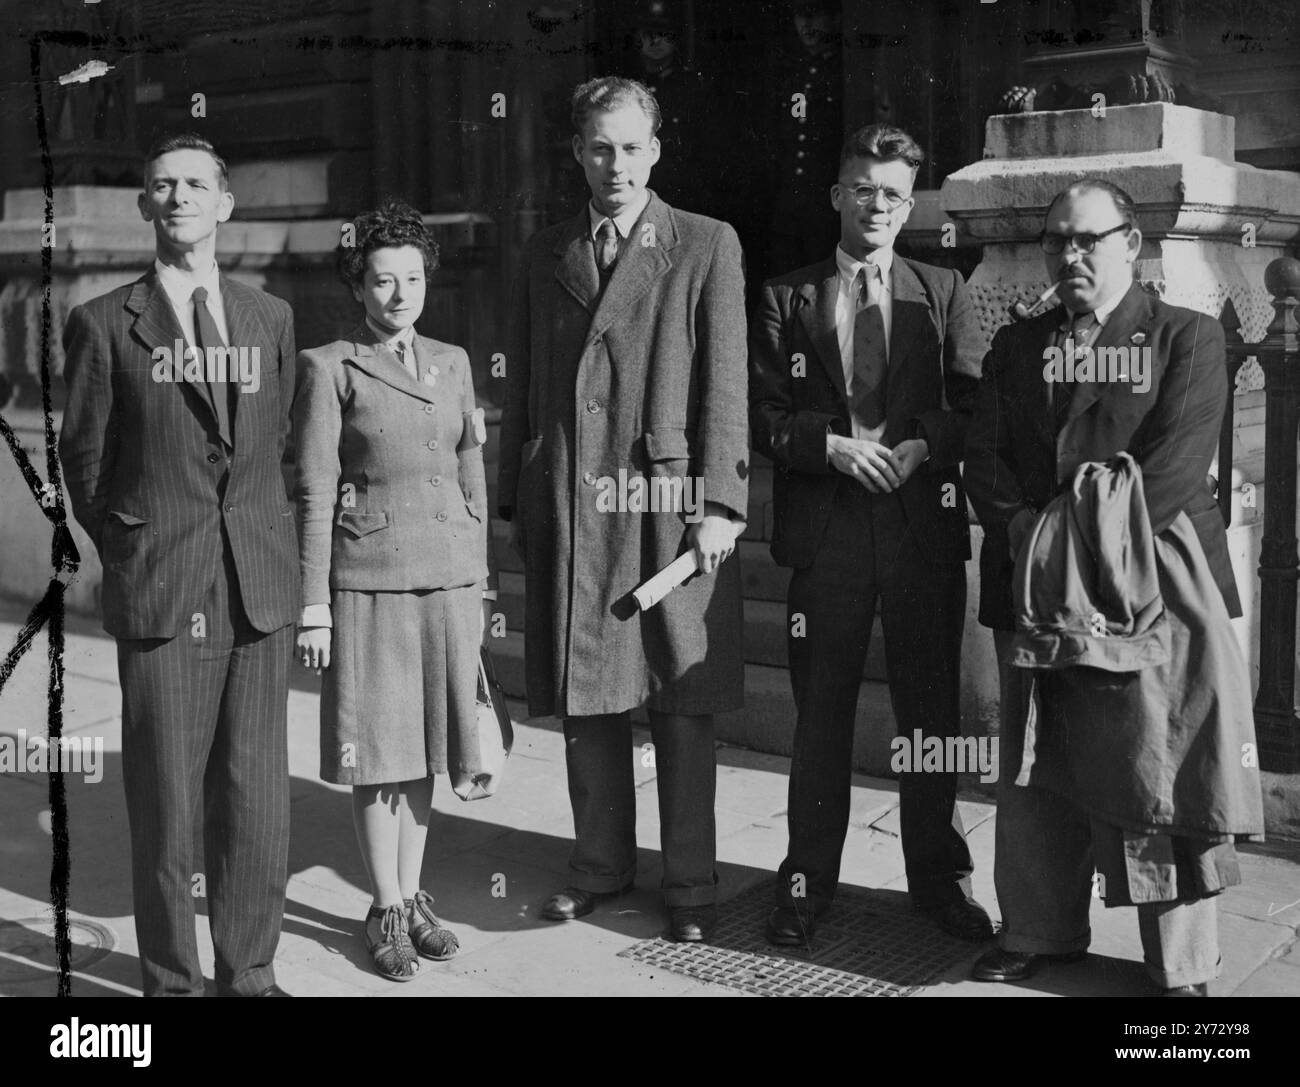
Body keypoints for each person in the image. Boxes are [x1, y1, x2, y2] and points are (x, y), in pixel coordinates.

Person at [963, 179, 1264, 995]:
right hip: (1033, 583)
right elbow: (984, 461)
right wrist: (1029, 538)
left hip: (1151, 585)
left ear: (1131, 244)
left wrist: (1064, 544)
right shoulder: (1016, 347)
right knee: (1035, 761)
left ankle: (1183, 965)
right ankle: (1036, 927)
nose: (1069, 255)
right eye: (1057, 240)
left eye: (1088, 239)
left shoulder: (1189, 338)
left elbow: (1168, 472)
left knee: (1160, 767)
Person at [497, 76, 748, 944]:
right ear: (577, 151)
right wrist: (520, 496)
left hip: (670, 503)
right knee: (589, 692)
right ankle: (599, 865)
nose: (617, 164)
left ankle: (692, 885)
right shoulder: (544, 250)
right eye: (600, 146)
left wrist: (721, 502)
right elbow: (526, 387)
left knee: (681, 696)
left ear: (657, 149)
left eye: (633, 146)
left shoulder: (706, 244)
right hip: (574, 495)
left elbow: (725, 384)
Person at [59, 133, 297, 997]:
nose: (180, 197)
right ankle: (172, 982)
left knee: (258, 799)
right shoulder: (103, 322)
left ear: (226, 205)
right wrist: (132, 545)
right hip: (163, 589)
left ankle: (253, 973)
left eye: (197, 184)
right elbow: (82, 459)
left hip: (259, 589)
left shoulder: (270, 317)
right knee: (166, 806)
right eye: (163, 185)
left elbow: (274, 453)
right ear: (146, 207)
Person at [749, 123, 992, 946]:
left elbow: (970, 403)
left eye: (894, 192)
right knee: (822, 715)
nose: (879, 205)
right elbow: (762, 416)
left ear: (910, 199)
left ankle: (938, 880)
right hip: (830, 535)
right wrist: (831, 446)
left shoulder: (942, 289)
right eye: (864, 189)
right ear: (837, 195)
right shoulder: (787, 296)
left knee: (931, 719)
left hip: (922, 528)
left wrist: (925, 440)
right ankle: (807, 883)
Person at [293, 200, 496, 982]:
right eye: (383, 280)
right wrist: (315, 605)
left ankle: (411, 897)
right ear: (360, 288)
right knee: (378, 752)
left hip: (447, 579)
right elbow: (314, 491)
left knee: (430, 750)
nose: (399, 293)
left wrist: (481, 581)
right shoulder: (330, 366)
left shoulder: (454, 361)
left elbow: (471, 473)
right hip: (369, 584)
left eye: (412, 277)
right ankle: (381, 905)